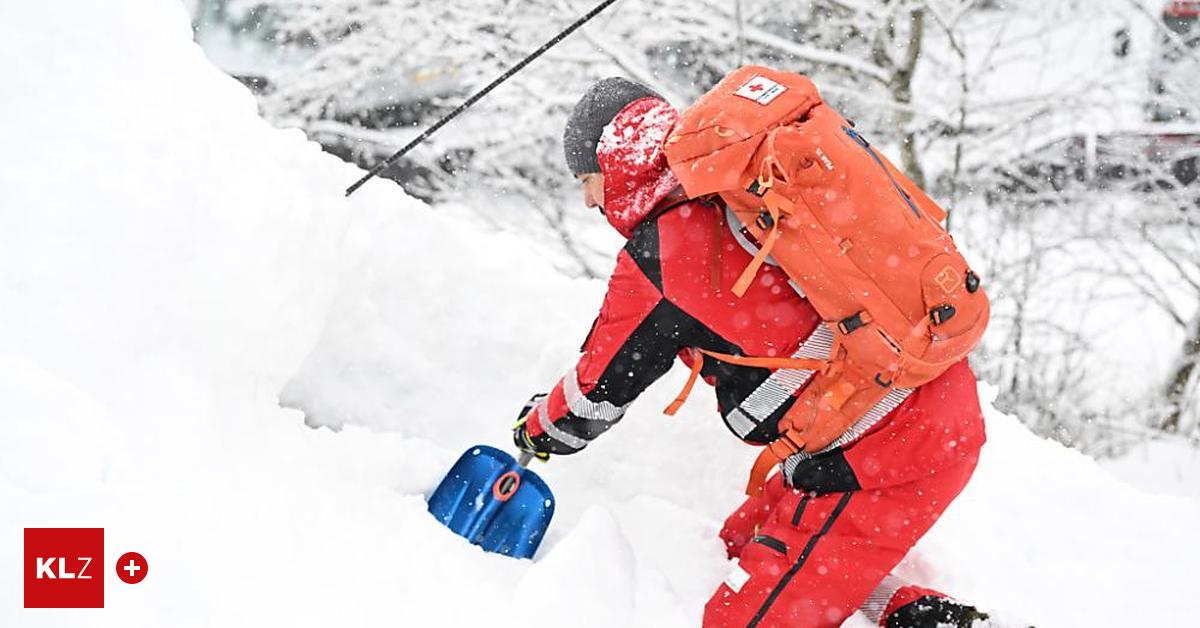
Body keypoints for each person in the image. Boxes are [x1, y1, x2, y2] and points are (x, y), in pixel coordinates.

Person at [512, 77, 992, 628]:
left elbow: (593, 397)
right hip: (920, 410)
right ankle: (917, 617)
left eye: (588, 179)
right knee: (740, 544)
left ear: (619, 165)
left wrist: (535, 430)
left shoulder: (664, 255)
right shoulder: (738, 197)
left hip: (880, 455)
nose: (589, 199)